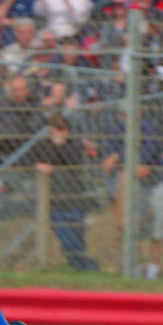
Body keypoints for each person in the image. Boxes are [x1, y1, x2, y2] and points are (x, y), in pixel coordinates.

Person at [33, 113, 100, 271]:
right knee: (67, 241)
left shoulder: (74, 145)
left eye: (62, 129)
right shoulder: (45, 145)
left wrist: (60, 145)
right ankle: (86, 267)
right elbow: (35, 159)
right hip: (55, 201)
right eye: (56, 129)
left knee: (78, 239)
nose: (60, 132)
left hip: (74, 198)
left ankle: (85, 267)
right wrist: (38, 165)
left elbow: (70, 161)